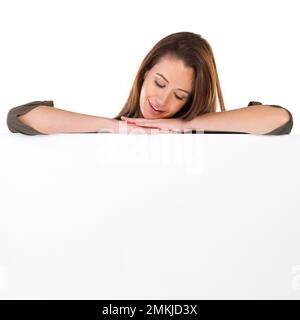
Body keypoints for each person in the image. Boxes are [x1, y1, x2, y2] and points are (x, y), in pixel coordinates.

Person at [6, 31, 293, 135]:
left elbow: (280, 118)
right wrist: (117, 126)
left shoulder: (205, 133)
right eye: (159, 82)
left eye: (180, 95)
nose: (162, 101)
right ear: (145, 73)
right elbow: (23, 116)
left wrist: (184, 125)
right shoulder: (110, 132)